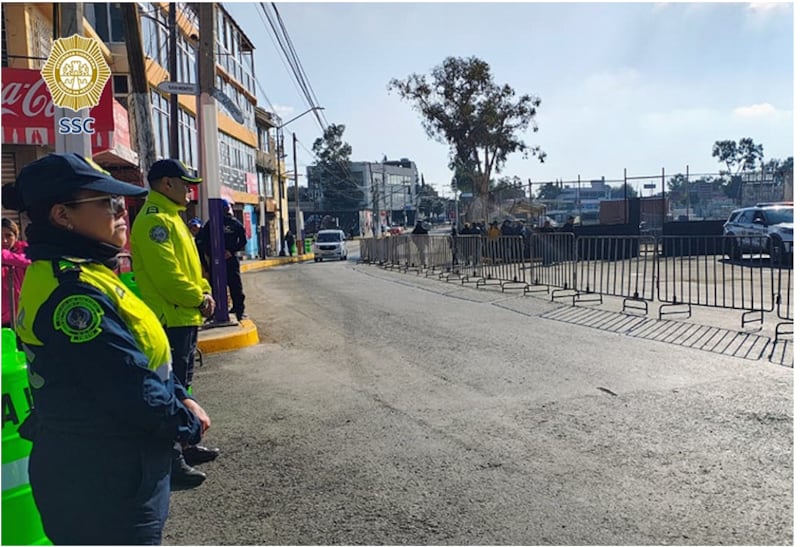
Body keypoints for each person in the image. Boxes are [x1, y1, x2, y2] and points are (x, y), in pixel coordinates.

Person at [4, 153, 208, 545]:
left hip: (110, 468)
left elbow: (137, 352)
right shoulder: (73, 295)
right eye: (107, 203)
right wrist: (187, 424)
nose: (121, 211)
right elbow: (126, 383)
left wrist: (178, 393)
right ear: (63, 216)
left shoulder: (85, 270)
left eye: (120, 202)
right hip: (102, 480)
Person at [130, 158, 219, 489]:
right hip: (170, 317)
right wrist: (199, 298)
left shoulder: (172, 217)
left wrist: (204, 291)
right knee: (169, 389)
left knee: (183, 384)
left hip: (183, 315)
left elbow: (192, 268)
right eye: (185, 184)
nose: (190, 191)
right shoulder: (155, 221)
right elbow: (168, 277)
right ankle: (172, 459)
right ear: (166, 183)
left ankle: (187, 442)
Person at [196, 199, 247, 321]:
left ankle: (238, 310)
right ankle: (216, 311)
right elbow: (204, 241)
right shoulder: (211, 224)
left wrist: (230, 251)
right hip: (217, 260)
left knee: (235, 286)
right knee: (217, 285)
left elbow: (243, 241)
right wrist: (213, 253)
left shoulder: (234, 224)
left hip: (230, 259)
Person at [2, 217, 30, 328]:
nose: (4, 241)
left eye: (8, 236)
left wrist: (3, 255)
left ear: (16, 236)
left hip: (23, 316)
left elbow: (27, 261)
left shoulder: (25, 251)